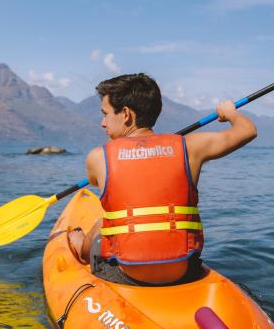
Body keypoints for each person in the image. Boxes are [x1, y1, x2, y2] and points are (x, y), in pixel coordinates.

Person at [68, 73, 256, 285]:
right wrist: (230, 113)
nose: (103, 123)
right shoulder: (190, 147)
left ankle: (81, 249)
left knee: (104, 222)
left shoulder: (97, 157)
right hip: (185, 270)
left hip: (127, 274)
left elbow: (95, 181)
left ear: (127, 114)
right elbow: (247, 130)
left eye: (106, 113)